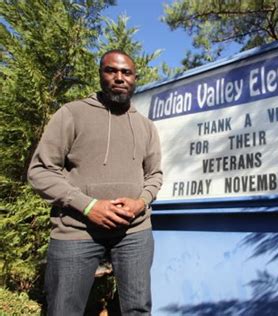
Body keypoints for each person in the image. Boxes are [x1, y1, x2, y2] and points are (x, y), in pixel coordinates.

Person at [28, 49, 162, 315]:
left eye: (126, 72)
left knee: (137, 309)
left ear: (135, 78)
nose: (119, 77)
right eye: (111, 70)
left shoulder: (146, 126)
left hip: (134, 233)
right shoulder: (72, 114)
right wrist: (88, 206)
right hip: (77, 230)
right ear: (100, 74)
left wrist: (140, 202)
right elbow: (41, 171)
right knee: (64, 309)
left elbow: (154, 175)